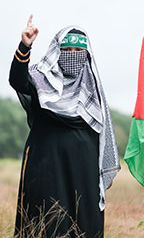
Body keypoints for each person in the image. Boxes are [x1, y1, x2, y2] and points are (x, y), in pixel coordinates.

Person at [9, 15, 120, 238]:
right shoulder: (41, 79)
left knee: (83, 226)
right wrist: (25, 46)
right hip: (46, 169)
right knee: (45, 224)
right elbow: (17, 80)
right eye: (66, 49)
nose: (72, 55)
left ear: (86, 55)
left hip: (83, 172)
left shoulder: (93, 91)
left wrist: (102, 170)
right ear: (57, 52)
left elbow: (102, 135)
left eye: (78, 51)